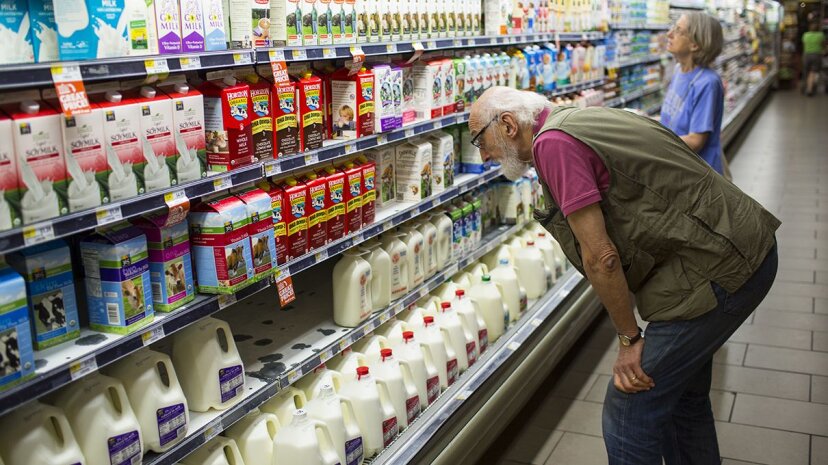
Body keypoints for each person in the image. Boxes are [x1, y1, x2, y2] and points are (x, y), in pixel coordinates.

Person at [468, 86, 780, 465]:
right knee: (684, 400)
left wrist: (629, 339)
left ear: (508, 124)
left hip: (719, 267)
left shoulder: (553, 145)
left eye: (479, 141)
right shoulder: (575, 118)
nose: (483, 156)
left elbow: (602, 258)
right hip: (732, 243)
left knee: (629, 407)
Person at [661, 12, 725, 174]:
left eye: (678, 30)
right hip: (677, 165)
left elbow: (696, 140)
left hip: (696, 176)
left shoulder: (707, 83)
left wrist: (653, 143)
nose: (669, 34)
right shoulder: (678, 71)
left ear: (695, 45)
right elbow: (674, 119)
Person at [802, 21, 825, 96]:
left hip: (806, 54)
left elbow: (804, 44)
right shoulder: (820, 35)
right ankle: (810, 89)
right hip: (816, 55)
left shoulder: (805, 35)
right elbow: (823, 44)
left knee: (806, 71)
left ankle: (805, 86)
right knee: (813, 71)